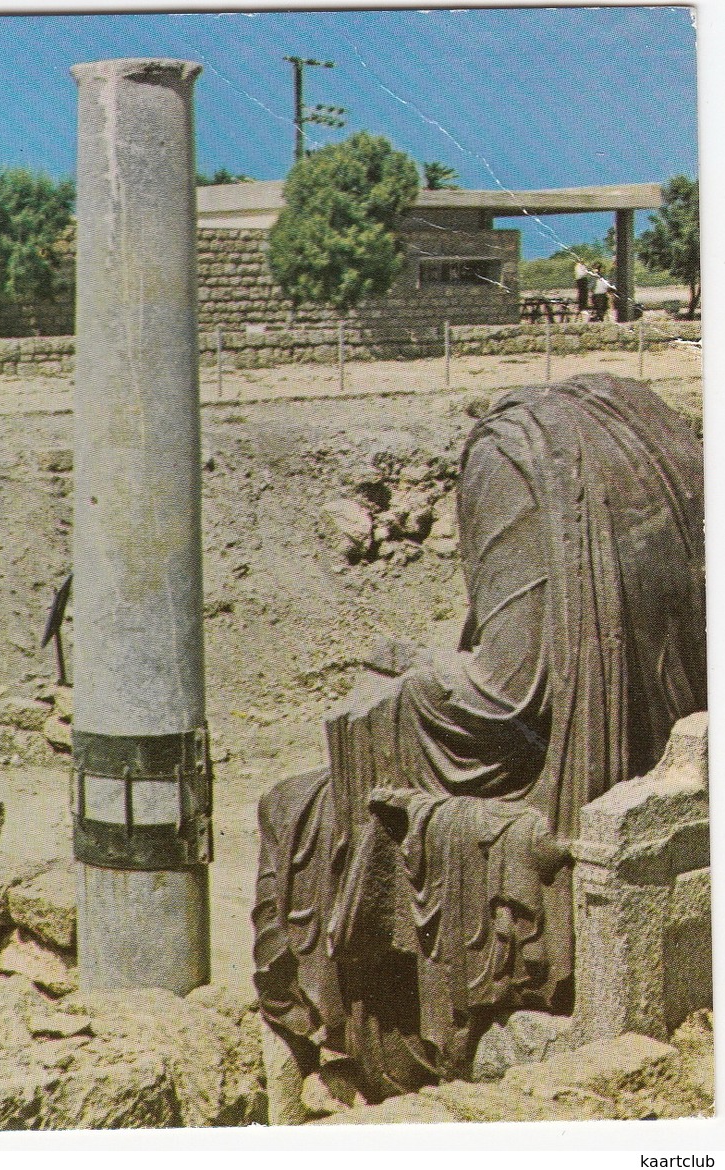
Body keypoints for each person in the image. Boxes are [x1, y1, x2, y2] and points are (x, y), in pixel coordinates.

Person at [253, 373, 705, 1103]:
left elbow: (503, 695)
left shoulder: (508, 454)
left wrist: (409, 686)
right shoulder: (642, 420)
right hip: (652, 759)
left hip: (554, 793)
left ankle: (369, 1061)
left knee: (293, 808)